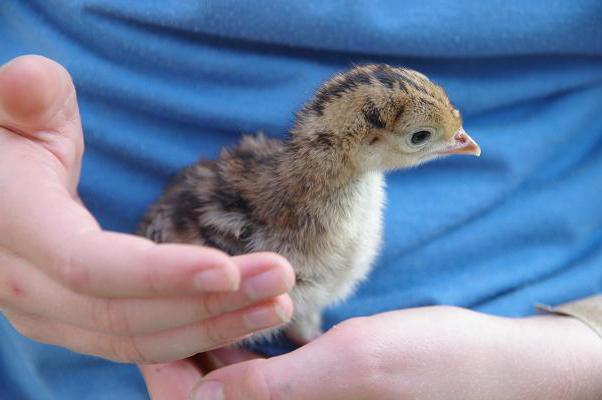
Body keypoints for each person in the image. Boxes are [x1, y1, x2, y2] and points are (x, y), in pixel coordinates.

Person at [1, 2, 601, 399]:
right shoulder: (279, 215)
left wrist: (574, 358)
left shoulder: (338, 196)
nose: (464, 145)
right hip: (76, 358)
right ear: (360, 147)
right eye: (425, 139)